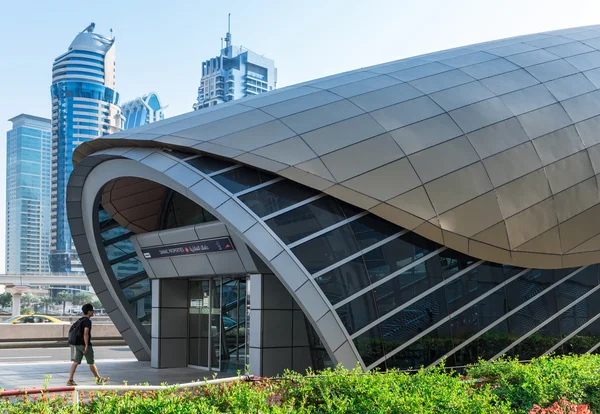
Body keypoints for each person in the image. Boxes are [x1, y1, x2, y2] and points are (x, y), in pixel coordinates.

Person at [67, 303, 109, 386]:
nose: (93, 312)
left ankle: (70, 380)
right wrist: (86, 345)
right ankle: (99, 379)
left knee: (76, 362)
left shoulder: (80, 320)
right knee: (91, 362)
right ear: (89, 311)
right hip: (84, 344)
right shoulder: (87, 321)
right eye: (92, 310)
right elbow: (85, 333)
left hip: (77, 344)